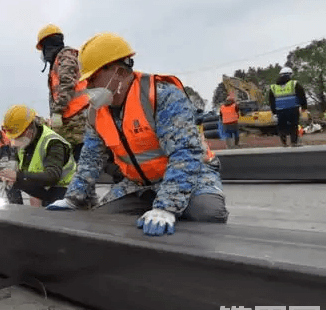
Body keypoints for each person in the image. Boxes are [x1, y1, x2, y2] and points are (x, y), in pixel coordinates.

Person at [47, 32, 228, 236]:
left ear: (120, 73)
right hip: (140, 184)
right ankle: (155, 205)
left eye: (94, 79)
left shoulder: (161, 96)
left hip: (194, 174)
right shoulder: (96, 113)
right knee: (102, 217)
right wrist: (73, 199)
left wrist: (166, 207)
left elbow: (185, 153)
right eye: (87, 81)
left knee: (207, 213)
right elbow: (90, 159)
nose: (88, 87)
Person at [0, 105, 75, 207]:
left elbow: (52, 176)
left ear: (29, 130)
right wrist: (13, 162)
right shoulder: (27, 141)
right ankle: (17, 211)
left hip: (63, 188)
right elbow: (19, 156)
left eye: (18, 136)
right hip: (44, 185)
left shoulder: (53, 143)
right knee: (12, 183)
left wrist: (18, 177)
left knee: (19, 180)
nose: (14, 141)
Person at [37, 24, 89, 162]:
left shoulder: (65, 58)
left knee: (79, 157)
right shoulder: (60, 60)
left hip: (76, 120)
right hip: (69, 119)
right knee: (70, 158)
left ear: (48, 46)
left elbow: (66, 85)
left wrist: (57, 112)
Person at [268, 67, 308, 147]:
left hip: (280, 110)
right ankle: (294, 142)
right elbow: (301, 95)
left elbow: (271, 101)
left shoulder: (274, 87)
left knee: (282, 126)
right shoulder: (294, 84)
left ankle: (284, 143)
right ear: (290, 75)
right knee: (294, 125)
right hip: (293, 109)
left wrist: (274, 111)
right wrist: (304, 106)